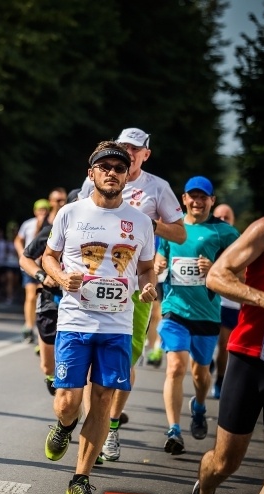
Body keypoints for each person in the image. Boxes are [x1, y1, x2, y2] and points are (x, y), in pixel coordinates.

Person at [42, 141, 157, 494]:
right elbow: (48, 257)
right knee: (67, 403)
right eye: (104, 167)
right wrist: (62, 277)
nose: (112, 172)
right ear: (91, 173)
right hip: (75, 320)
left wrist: (149, 285)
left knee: (104, 401)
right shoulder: (70, 213)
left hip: (117, 326)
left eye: (119, 168)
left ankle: (80, 480)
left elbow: (146, 267)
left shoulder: (141, 221)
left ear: (127, 176)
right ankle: (64, 426)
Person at [79, 127, 186, 463]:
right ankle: (92, 428)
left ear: (145, 154)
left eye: (135, 149)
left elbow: (180, 233)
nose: (128, 152)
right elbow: (78, 218)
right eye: (124, 146)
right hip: (93, 284)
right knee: (90, 363)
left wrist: (146, 222)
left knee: (123, 363)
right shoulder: (99, 176)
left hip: (135, 289)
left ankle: (110, 426)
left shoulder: (158, 188)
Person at [180, 217, 264, 494]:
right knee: (225, 462)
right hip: (251, 358)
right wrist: (263, 299)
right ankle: (203, 493)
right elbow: (216, 275)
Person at [154, 177, 239, 455]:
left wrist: (214, 269)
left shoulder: (224, 232)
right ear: (184, 199)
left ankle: (199, 406)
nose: (197, 202)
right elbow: (158, 259)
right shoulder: (173, 227)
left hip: (207, 314)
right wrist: (158, 264)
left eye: (203, 197)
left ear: (212, 200)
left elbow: (241, 272)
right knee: (175, 367)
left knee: (201, 375)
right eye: (193, 196)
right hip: (174, 309)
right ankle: (173, 430)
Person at [19, 188, 77, 396]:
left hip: (81, 304)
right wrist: (43, 276)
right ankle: (54, 380)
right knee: (48, 367)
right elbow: (25, 258)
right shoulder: (53, 230)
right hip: (52, 299)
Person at [211, 203, 238, 399]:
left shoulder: (238, 241)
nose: (222, 220)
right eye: (219, 217)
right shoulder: (206, 237)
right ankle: (208, 363)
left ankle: (220, 379)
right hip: (208, 299)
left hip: (229, 302)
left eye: (226, 217)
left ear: (233, 220)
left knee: (224, 344)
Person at [14, 198, 51, 343]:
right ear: (35, 211)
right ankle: (29, 326)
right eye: (40, 210)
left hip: (44, 266)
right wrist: (21, 254)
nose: (42, 213)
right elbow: (18, 240)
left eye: (45, 210)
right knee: (30, 296)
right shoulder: (28, 224)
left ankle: (40, 327)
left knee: (41, 296)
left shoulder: (51, 225)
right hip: (30, 266)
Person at [0, 227, 18, 302]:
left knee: (14, 281)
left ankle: (10, 293)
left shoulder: (20, 243)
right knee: (8, 280)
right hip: (7, 264)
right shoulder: (6, 243)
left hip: (17, 264)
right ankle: (9, 296)